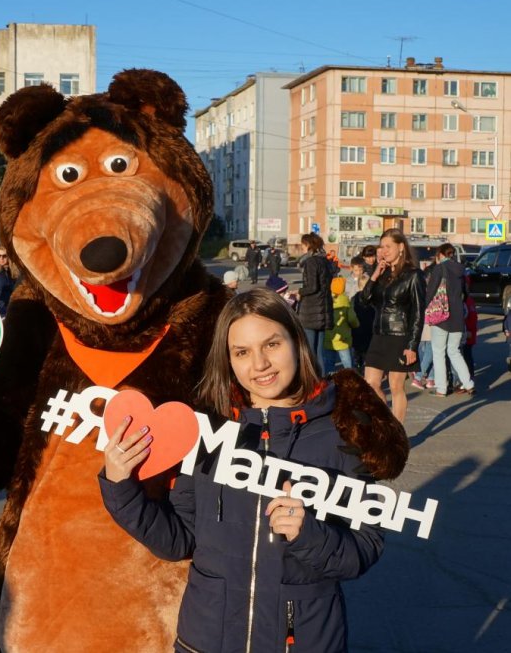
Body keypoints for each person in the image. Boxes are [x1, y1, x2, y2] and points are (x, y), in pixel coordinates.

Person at [99, 288, 405, 653]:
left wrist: (309, 534)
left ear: (296, 340)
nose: (259, 364)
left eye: (271, 344)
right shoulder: (209, 433)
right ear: (227, 360)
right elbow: (180, 538)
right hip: (207, 638)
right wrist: (120, 487)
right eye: (242, 352)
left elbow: (364, 548)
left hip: (302, 639)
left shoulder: (343, 431)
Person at [360, 228, 425, 422]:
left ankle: (397, 434)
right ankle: (385, 424)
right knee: (370, 384)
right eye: (382, 246)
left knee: (396, 386)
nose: (384, 250)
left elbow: (418, 313)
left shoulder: (413, 275)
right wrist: (375, 274)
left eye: (388, 246)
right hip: (379, 335)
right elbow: (364, 300)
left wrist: (412, 345)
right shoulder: (382, 273)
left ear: (401, 247)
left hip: (400, 336)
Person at [424, 243, 474, 398]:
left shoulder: (440, 269)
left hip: (441, 316)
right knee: (454, 351)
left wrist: (424, 308)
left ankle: (441, 388)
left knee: (438, 352)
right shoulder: (461, 270)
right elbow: (465, 295)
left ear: (440, 254)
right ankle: (469, 384)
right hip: (458, 316)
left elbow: (431, 292)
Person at [293, 232, 333, 375]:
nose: (302, 247)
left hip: (311, 312)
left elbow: (312, 287)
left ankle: (312, 382)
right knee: (319, 351)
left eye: (303, 244)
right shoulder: (325, 261)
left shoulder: (311, 262)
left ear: (309, 245)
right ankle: (322, 382)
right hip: (323, 311)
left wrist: (299, 290)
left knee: (309, 350)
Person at [323, 276, 358, 372]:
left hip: (328, 338)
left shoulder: (326, 301)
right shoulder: (346, 302)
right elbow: (352, 319)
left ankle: (329, 382)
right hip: (343, 340)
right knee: (347, 364)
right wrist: (355, 325)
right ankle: (351, 381)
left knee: (329, 363)